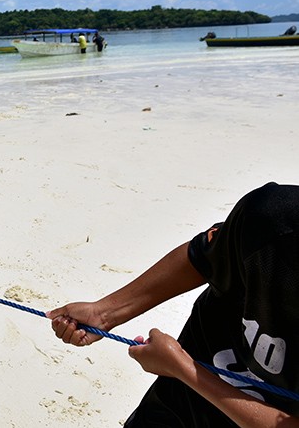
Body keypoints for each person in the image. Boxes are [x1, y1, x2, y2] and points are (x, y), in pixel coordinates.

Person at [48, 182, 299, 427]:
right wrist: (104, 313)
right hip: (190, 390)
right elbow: (204, 258)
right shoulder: (275, 216)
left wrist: (183, 369)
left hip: (203, 380)